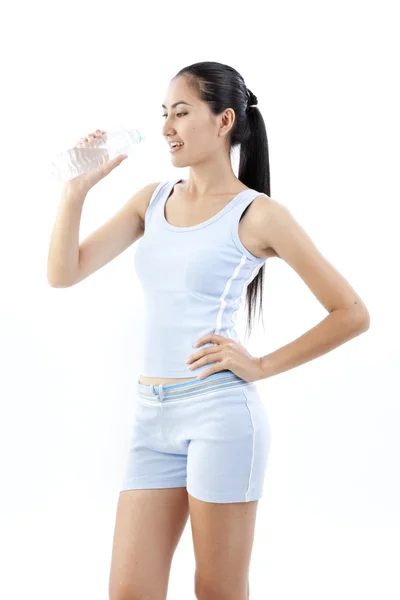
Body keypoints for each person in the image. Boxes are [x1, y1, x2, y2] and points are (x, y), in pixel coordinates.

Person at [48, 61, 370, 600]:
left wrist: (261, 365)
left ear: (223, 122)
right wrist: (74, 193)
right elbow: (64, 274)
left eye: (181, 112)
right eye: (164, 114)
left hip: (219, 417)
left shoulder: (258, 214)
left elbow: (352, 312)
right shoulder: (151, 200)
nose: (168, 126)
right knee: (130, 591)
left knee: (217, 590)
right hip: (151, 416)